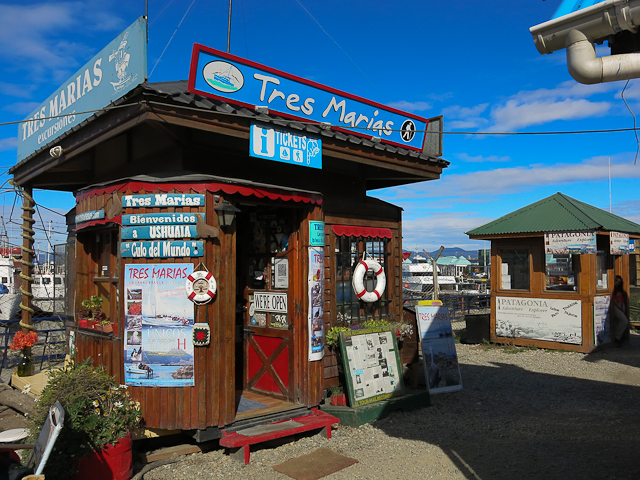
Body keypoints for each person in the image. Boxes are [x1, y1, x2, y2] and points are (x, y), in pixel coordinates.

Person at [610, 275, 630, 346]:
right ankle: (617, 337)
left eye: (619, 282)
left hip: (621, 306)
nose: (617, 283)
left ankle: (618, 337)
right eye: (616, 281)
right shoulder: (612, 289)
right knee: (624, 321)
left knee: (619, 322)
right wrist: (618, 306)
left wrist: (623, 305)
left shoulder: (619, 289)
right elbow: (613, 298)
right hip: (615, 307)